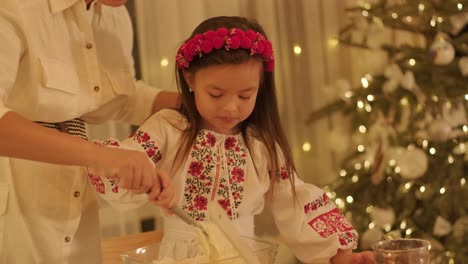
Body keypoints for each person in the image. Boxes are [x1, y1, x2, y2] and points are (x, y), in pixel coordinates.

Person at [89, 16, 375, 263]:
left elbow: (295, 200)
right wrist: (143, 178)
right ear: (190, 80)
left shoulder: (262, 145)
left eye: (244, 96)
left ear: (260, 88)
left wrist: (340, 254)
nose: (230, 107)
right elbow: (121, 165)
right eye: (216, 94)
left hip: (244, 256)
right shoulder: (167, 128)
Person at [0, 0, 177, 263]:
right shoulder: (16, 7)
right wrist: (100, 156)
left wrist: (206, 102)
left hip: (76, 201)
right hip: (13, 201)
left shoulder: (114, 18)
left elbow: (117, 98)